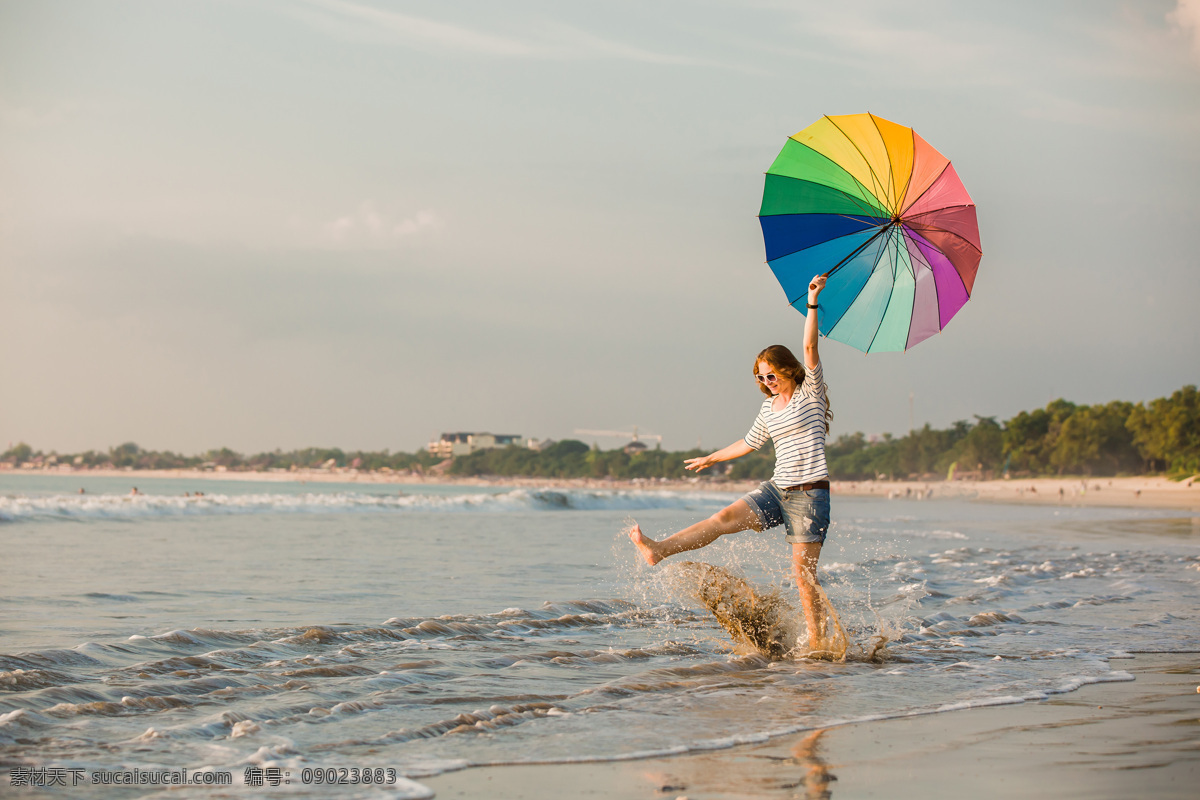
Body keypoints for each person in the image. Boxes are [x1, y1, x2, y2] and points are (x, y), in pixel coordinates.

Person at [629, 274, 835, 650]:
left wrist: (812, 301)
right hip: (778, 490)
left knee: (804, 577)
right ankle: (658, 550)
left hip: (809, 496)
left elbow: (809, 345)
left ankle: (819, 644)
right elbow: (748, 442)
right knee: (722, 519)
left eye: (771, 374)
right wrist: (711, 457)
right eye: (761, 377)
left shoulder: (811, 392)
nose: (767, 381)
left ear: (787, 369)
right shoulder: (769, 407)